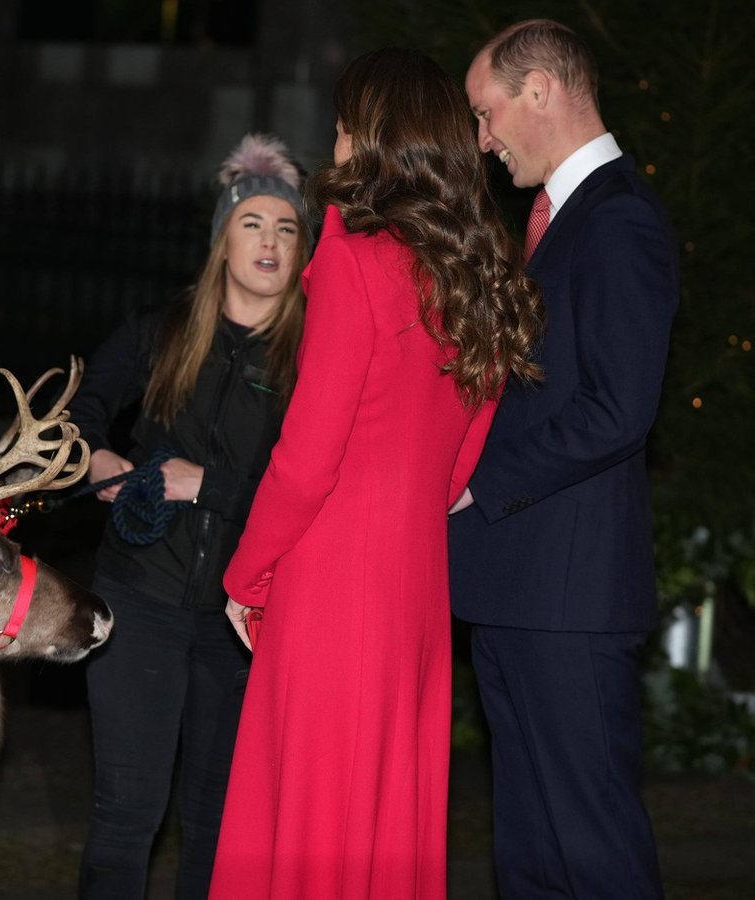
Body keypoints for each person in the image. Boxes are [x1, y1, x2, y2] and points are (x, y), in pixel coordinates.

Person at [210, 49, 544, 899]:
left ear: (374, 138)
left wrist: (248, 573)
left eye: (344, 124)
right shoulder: (473, 271)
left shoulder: (358, 260)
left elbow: (307, 455)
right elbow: (463, 456)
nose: (334, 139)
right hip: (414, 586)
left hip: (332, 585)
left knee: (311, 825)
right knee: (384, 825)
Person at [449, 19, 678, 897]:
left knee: (595, 852)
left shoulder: (619, 218)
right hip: (519, 590)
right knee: (533, 857)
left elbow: (619, 411)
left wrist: (477, 484)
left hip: (570, 599)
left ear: (539, 89)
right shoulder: (560, 218)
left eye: (485, 113)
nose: (482, 140)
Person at [71, 133, 310, 899]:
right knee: (125, 812)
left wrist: (205, 484)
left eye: (285, 228)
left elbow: (312, 493)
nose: (269, 241)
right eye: (252, 224)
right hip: (139, 595)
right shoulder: (164, 330)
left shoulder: (314, 359)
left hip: (242, 616)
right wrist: (95, 459)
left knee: (217, 820)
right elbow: (74, 414)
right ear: (222, 240)